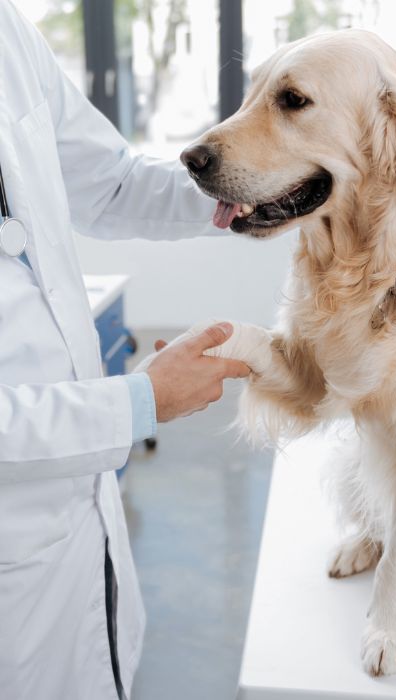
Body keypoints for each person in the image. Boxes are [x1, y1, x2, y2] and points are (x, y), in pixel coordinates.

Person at [0, 2, 250, 698]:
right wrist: (139, 402)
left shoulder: (7, 34)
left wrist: (252, 183)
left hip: (79, 538)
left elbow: (109, 183)